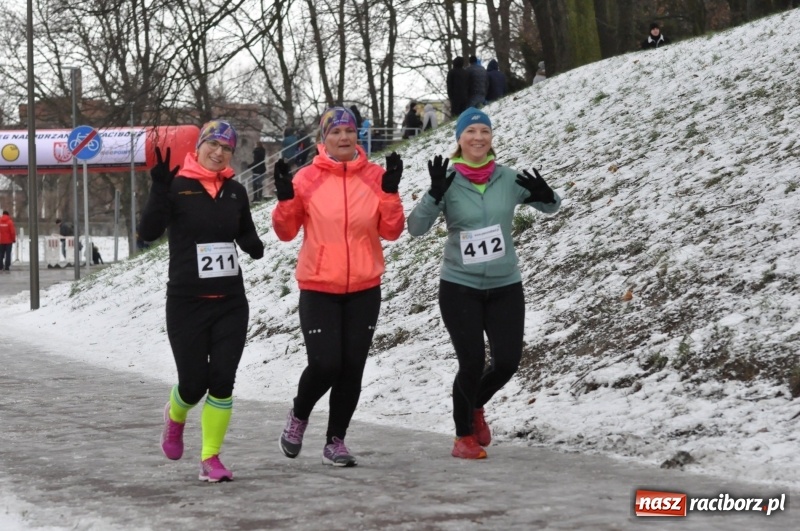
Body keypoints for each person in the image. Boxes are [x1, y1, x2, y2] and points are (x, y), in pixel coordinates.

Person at [407, 107, 561, 460]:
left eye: (484, 131)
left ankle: (475, 404)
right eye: (470, 131)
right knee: (472, 361)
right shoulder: (446, 181)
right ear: (459, 139)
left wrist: (546, 193)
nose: (478, 137)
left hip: (506, 285)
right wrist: (433, 195)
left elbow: (553, 207)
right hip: (459, 285)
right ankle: (463, 435)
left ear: (491, 138)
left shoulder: (507, 179)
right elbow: (415, 228)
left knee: (506, 362)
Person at [271, 106, 404, 467]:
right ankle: (299, 415)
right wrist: (285, 200)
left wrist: (391, 193)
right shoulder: (306, 179)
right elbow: (285, 233)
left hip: (364, 286)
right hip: (319, 286)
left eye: (349, 131)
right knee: (326, 363)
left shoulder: (375, 176)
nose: (344, 137)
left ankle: (336, 441)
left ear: (358, 135)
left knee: (352, 366)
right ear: (323, 139)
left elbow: (391, 231)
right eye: (336, 132)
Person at [139, 119, 265, 482]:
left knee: (223, 380)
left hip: (230, 302)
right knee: (193, 384)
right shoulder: (178, 186)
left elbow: (245, 233)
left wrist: (254, 246)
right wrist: (159, 190)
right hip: (186, 302)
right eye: (213, 144)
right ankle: (175, 417)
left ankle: (211, 458)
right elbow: (148, 232)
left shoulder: (236, 192)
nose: (219, 152)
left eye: (226, 148)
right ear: (199, 147)